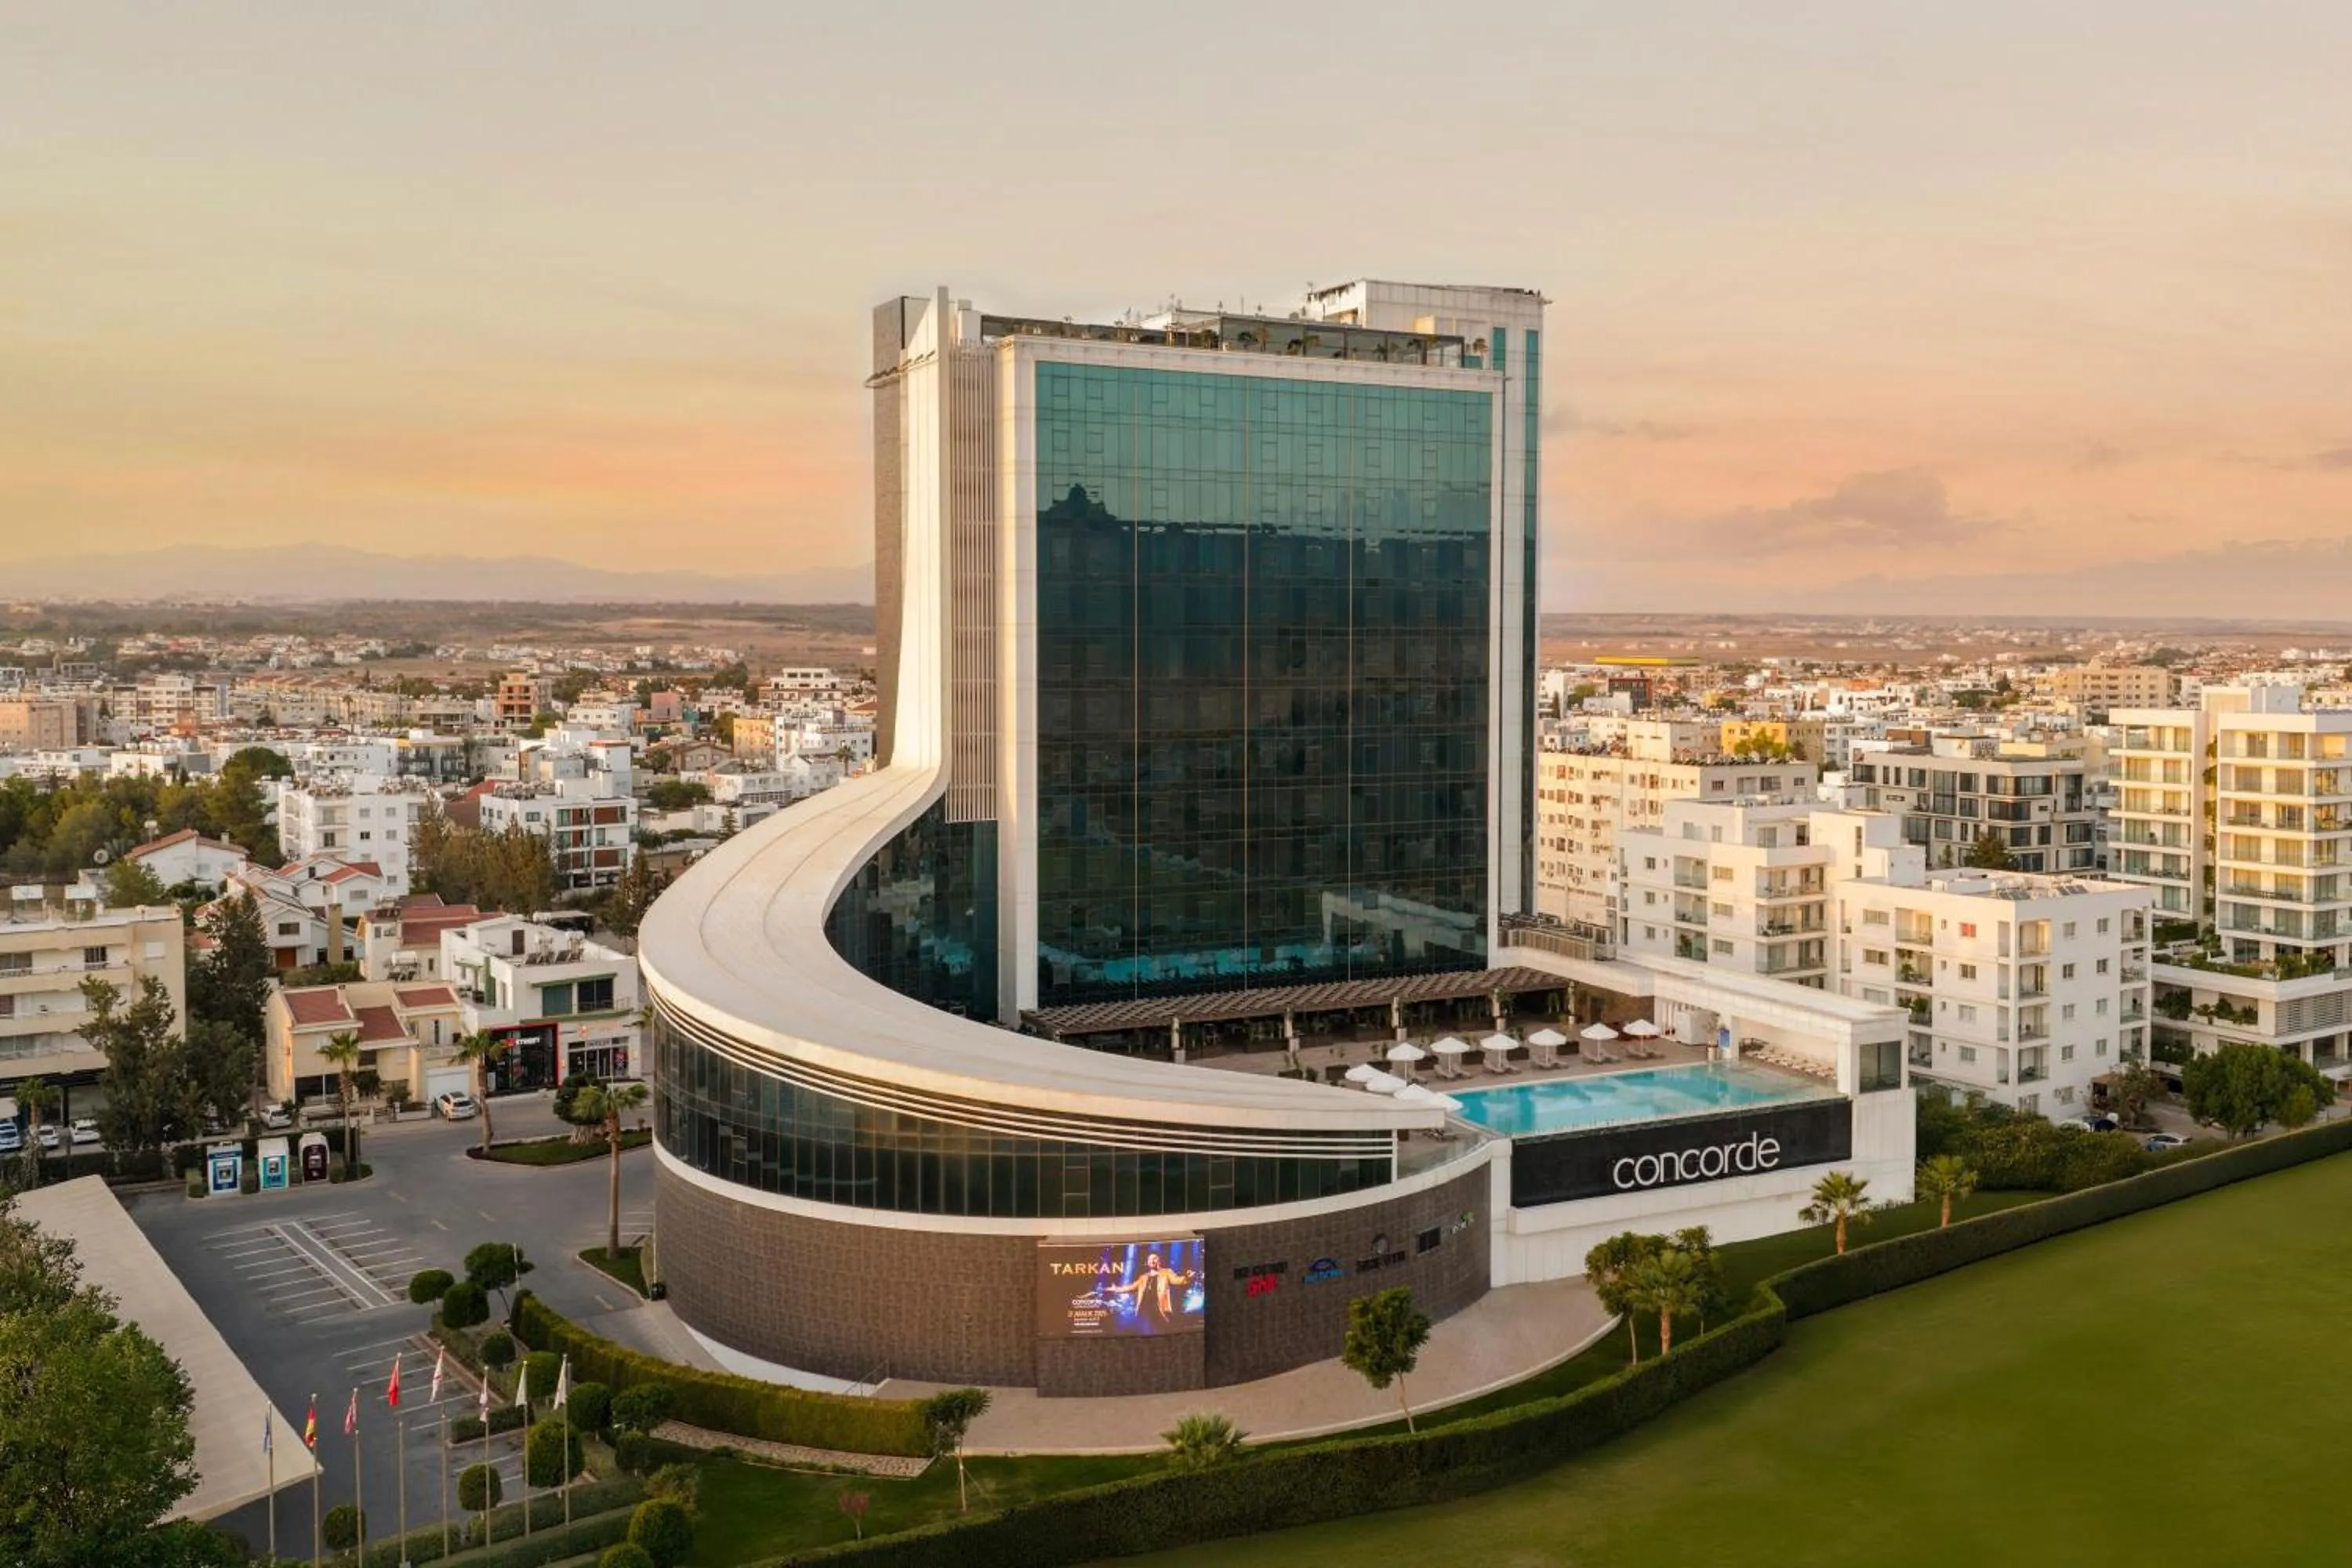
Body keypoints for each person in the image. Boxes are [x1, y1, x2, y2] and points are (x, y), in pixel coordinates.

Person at [1103, 1248, 1195, 1331]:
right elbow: (1131, 1287)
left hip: (1159, 1309)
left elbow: (1177, 1280)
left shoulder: (1166, 1272)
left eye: (1155, 1258)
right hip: (1144, 1310)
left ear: (1159, 1261)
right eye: (1150, 1259)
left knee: (1160, 1331)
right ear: (1147, 1262)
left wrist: (1187, 1277)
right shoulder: (1143, 1277)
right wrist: (1116, 1289)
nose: (1152, 1261)